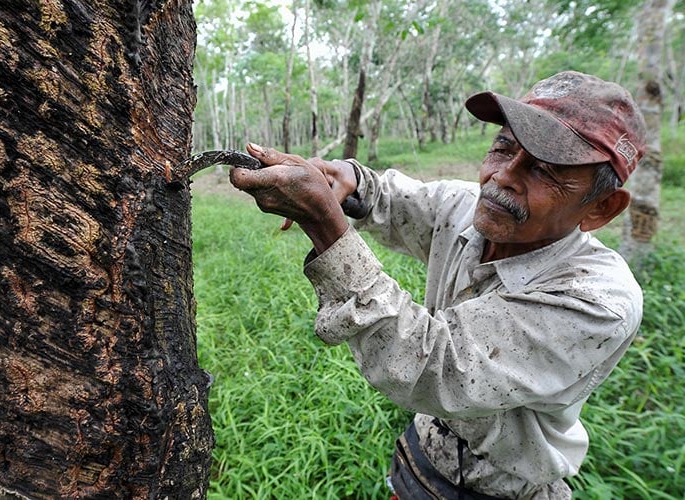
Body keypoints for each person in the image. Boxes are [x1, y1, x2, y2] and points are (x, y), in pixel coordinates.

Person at [228, 70, 646, 499]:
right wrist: (347, 182)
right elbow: (395, 199)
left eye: (544, 170)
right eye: (503, 147)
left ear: (601, 208)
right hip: (422, 454)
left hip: (501, 488)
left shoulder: (597, 300)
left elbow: (433, 367)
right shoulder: (472, 207)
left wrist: (323, 221)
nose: (502, 176)